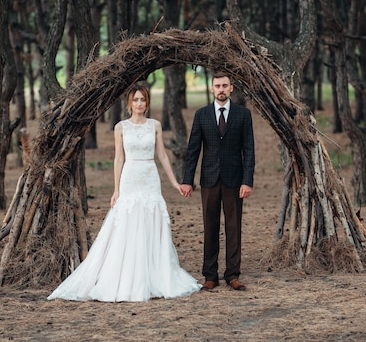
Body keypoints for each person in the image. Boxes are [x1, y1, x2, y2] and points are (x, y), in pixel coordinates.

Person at [47, 84, 201, 302]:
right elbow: (119, 159)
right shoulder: (120, 127)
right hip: (130, 176)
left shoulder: (155, 126)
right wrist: (116, 189)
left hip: (149, 175)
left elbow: (163, 157)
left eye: (143, 100)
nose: (139, 104)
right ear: (130, 103)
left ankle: (153, 273)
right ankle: (127, 274)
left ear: (147, 103)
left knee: (150, 221)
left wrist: (175, 183)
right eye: (136, 100)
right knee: (128, 222)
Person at [181, 72, 255, 292]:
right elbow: (193, 150)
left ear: (231, 88)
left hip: (234, 179)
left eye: (225, 85)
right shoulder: (201, 115)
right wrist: (187, 180)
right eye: (217, 86)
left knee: (234, 227)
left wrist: (247, 180)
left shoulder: (243, 114)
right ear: (212, 89)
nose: (221, 89)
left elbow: (249, 150)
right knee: (209, 227)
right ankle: (210, 275)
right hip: (209, 179)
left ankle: (233, 275)